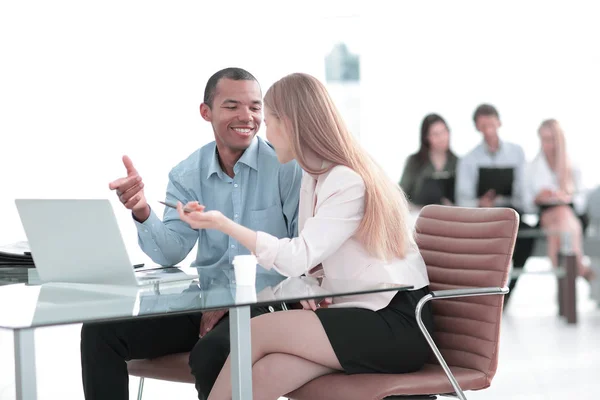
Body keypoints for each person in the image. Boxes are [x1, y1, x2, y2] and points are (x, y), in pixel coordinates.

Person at [175, 73, 433, 400]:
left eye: (268, 122)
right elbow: (311, 271)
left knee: (252, 333)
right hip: (357, 315)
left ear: (290, 124)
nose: (265, 133)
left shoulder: (346, 181)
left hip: (396, 324)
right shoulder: (313, 179)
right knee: (268, 372)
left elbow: (299, 256)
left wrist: (223, 224)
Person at [80, 67, 303, 400]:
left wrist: (237, 304)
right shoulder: (187, 172)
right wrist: (142, 209)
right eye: (232, 106)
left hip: (269, 304)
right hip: (207, 304)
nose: (247, 116)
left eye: (255, 107)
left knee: (212, 352)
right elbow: (172, 252)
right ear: (206, 112)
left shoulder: (286, 166)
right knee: (100, 331)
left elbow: (304, 257)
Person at [455, 104, 535, 303]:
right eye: (483, 125)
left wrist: (505, 199)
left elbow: (522, 192)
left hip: (511, 213)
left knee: (527, 237)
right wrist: (480, 202)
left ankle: (507, 292)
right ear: (477, 128)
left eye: (491, 124)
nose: (489, 130)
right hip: (485, 216)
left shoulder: (517, 152)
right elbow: (462, 198)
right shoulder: (469, 159)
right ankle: (490, 293)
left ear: (499, 123)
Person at [524, 119, 594, 280]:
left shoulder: (573, 165)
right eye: (544, 139)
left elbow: (581, 200)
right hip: (546, 214)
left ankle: (562, 281)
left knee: (560, 225)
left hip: (568, 213)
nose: (548, 144)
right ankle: (579, 266)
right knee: (563, 220)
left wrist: (566, 197)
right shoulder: (531, 167)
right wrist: (538, 198)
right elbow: (526, 203)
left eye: (551, 139)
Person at [399, 113, 459, 207]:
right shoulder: (414, 161)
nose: (442, 138)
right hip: (418, 215)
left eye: (444, 132)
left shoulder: (457, 162)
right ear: (426, 137)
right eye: (436, 134)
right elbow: (401, 194)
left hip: (450, 216)